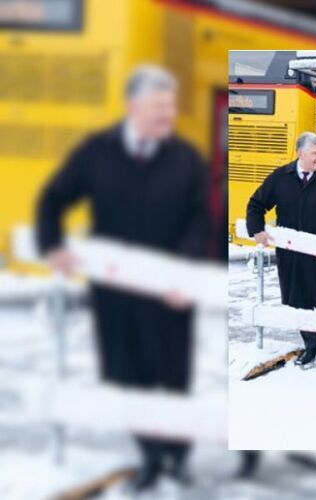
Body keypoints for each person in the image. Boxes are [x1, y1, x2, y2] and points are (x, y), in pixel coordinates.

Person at [36, 65, 210, 492]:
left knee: (173, 376)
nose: (167, 114)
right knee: (125, 375)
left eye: (170, 106)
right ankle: (151, 456)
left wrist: (182, 271)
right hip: (114, 293)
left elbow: (201, 219)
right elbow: (53, 197)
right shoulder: (97, 152)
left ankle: (177, 454)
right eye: (158, 106)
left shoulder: (186, 158)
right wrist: (52, 243)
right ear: (133, 105)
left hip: (168, 291)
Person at [246, 132, 316, 367]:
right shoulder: (281, 177)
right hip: (291, 255)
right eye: (315, 153)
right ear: (300, 153)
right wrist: (257, 230)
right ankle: (310, 346)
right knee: (298, 300)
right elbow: (256, 204)